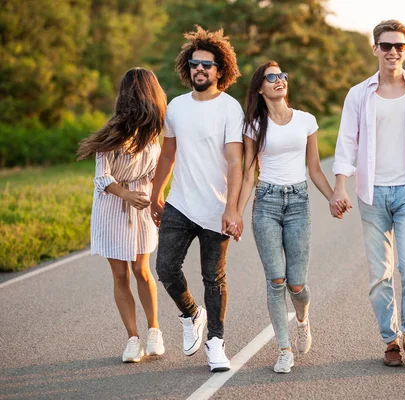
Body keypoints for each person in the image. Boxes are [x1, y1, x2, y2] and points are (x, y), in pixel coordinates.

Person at [330, 20, 405, 367]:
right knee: (380, 273)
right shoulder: (358, 94)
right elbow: (347, 142)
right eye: (386, 45)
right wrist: (339, 186)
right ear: (375, 48)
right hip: (372, 194)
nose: (393, 52)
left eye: (399, 46)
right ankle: (390, 341)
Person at [237, 61, 341, 374]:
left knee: (297, 284)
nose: (279, 80)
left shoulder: (306, 121)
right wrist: (236, 215)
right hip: (266, 203)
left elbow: (315, 169)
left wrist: (333, 197)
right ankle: (284, 350)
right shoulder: (254, 126)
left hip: (298, 203)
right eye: (271, 77)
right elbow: (248, 174)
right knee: (276, 280)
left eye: (282, 75)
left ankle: (303, 320)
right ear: (260, 87)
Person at [150, 26, 244, 372]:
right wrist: (155, 193)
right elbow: (167, 154)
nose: (199, 70)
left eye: (207, 65)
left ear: (221, 70)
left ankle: (216, 344)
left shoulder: (230, 109)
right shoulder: (176, 107)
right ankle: (191, 313)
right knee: (165, 267)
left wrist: (232, 208)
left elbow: (235, 161)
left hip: (216, 207)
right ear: (187, 67)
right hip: (179, 203)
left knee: (213, 279)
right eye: (194, 64)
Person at [77, 67, 166, 363]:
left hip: (141, 204)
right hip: (113, 204)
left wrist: (157, 199)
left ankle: (154, 330)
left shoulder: (154, 133)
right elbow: (101, 178)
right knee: (120, 274)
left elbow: (156, 173)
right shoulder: (112, 133)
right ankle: (133, 338)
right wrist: (126, 194)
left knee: (142, 269)